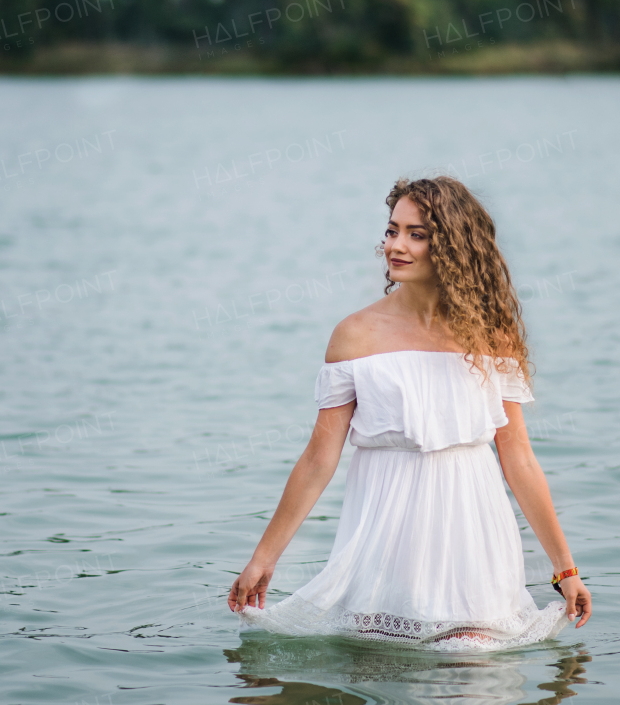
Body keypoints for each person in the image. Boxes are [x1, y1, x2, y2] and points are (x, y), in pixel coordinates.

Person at [229, 176, 592, 650]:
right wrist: (264, 558)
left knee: (469, 670)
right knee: (375, 669)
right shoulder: (355, 335)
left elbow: (519, 459)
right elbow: (319, 459)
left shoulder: (491, 335)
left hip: (473, 536)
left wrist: (565, 570)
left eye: (416, 234)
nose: (396, 246)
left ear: (455, 246)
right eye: (392, 230)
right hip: (384, 539)